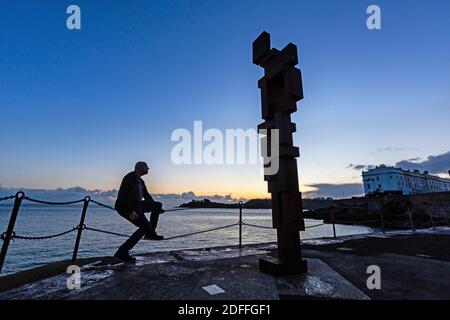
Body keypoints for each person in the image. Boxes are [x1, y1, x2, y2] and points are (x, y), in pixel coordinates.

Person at [114, 161, 165, 262]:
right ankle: (122, 252)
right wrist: (130, 211)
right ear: (140, 167)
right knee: (145, 226)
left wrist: (156, 208)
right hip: (125, 205)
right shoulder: (130, 177)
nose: (148, 168)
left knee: (157, 205)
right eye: (146, 167)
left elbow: (146, 196)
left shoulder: (141, 181)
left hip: (137, 204)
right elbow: (123, 196)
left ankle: (151, 234)